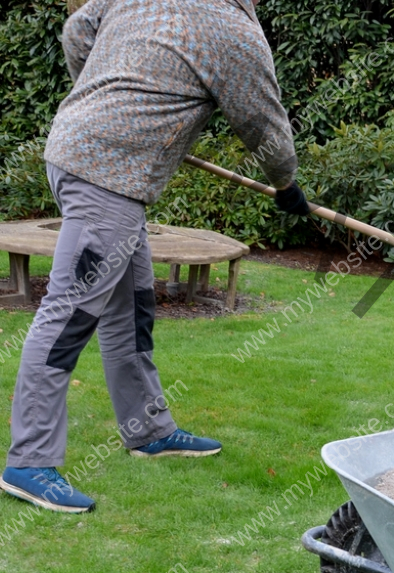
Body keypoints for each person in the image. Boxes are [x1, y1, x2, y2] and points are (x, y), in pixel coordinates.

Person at [1, 0, 311, 514]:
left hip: (91, 161)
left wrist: (101, 93)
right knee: (70, 313)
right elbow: (264, 125)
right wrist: (285, 184)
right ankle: (29, 462)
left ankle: (148, 430)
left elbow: (79, 29)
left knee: (133, 307)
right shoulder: (233, 30)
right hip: (107, 175)